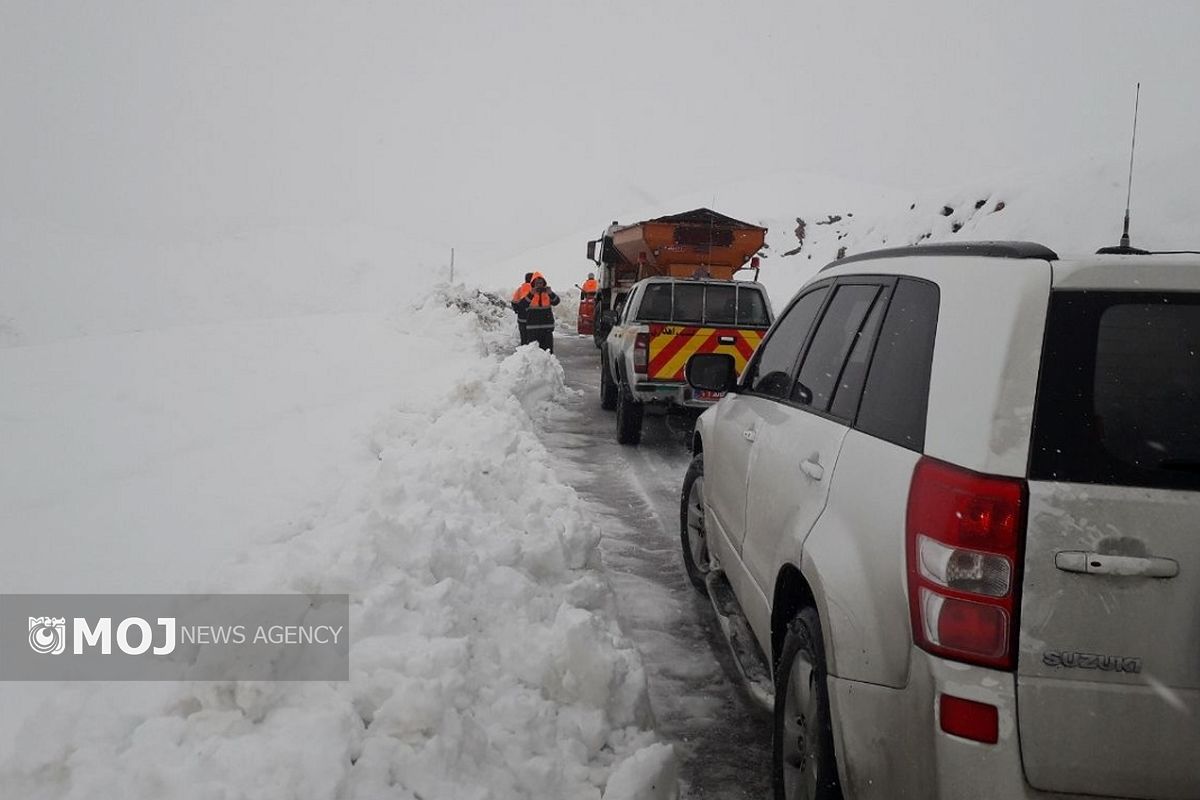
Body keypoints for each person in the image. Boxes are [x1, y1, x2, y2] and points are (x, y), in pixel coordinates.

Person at [516, 272, 560, 352]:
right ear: (533, 284)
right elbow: (522, 305)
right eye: (537, 283)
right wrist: (531, 294)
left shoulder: (547, 293)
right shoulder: (530, 293)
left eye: (541, 283)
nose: (539, 285)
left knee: (548, 353)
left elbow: (556, 301)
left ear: (544, 283)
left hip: (547, 329)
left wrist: (551, 293)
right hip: (533, 329)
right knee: (533, 353)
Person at [511, 272, 533, 345]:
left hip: (522, 319)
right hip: (533, 319)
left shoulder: (520, 289)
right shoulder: (535, 290)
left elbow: (514, 302)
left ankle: (523, 353)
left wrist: (517, 310)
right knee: (533, 340)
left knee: (524, 338)